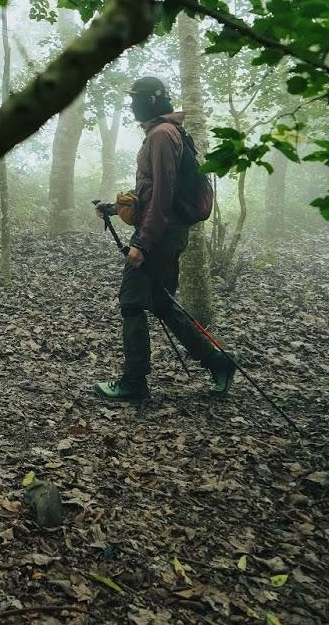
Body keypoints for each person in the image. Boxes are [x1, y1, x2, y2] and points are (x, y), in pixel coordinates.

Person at [94, 76, 235, 404]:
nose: (132, 105)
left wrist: (142, 243)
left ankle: (134, 383)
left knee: (132, 301)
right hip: (166, 232)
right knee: (161, 303)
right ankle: (218, 361)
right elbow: (151, 191)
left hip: (159, 234)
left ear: (153, 100)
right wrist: (115, 208)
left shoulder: (161, 135)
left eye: (136, 99)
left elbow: (163, 194)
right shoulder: (166, 132)